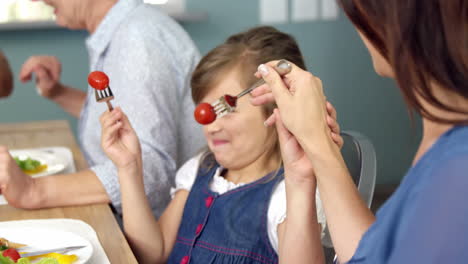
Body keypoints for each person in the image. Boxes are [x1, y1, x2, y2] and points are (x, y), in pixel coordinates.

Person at [99, 26, 342, 264]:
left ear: (277, 108)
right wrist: (129, 167)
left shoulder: (287, 199)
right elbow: (154, 253)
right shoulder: (199, 169)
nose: (211, 127)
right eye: (205, 112)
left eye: (227, 109)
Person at [252, 0, 468, 263]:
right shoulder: (443, 138)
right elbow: (373, 252)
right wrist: (315, 145)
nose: (355, 27)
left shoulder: (456, 169)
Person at [0, 0, 204, 218]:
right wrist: (58, 93)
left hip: (155, 233)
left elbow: (148, 170)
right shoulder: (126, 30)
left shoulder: (138, 39)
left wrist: (34, 190)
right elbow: (127, 124)